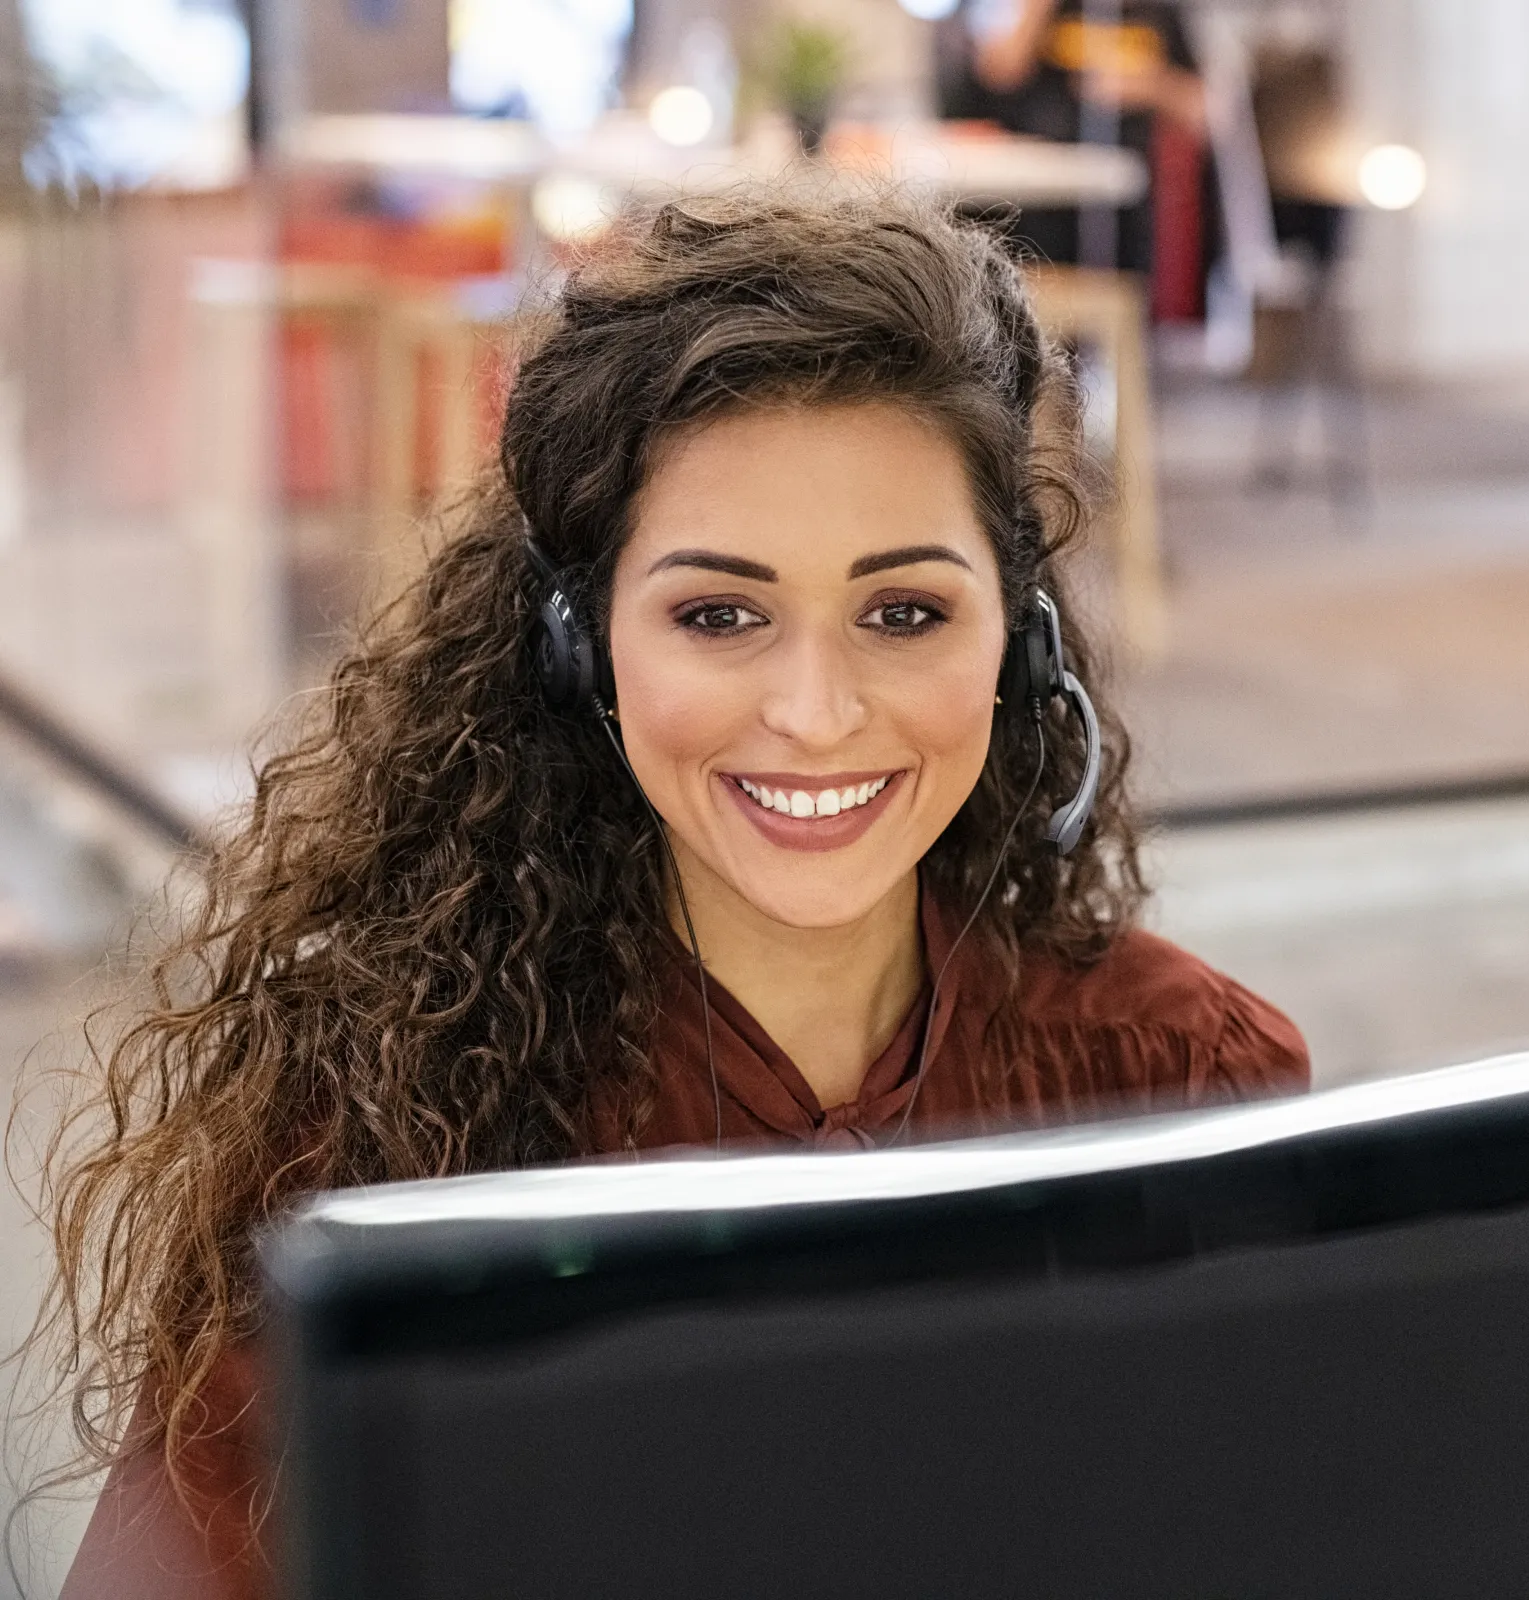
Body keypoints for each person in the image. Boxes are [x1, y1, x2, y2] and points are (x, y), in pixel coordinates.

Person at [41, 186, 1307, 1597]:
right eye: (719, 615)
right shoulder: (386, 1122)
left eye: (904, 613)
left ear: (1015, 641)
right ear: (584, 649)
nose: (818, 714)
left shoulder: (1186, 1079)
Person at [943, 0, 1208, 270]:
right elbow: (998, 71)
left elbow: (1205, 111)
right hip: (1041, 203)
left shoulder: (1159, 13)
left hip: (1128, 208)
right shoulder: (1048, 10)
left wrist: (1152, 87)